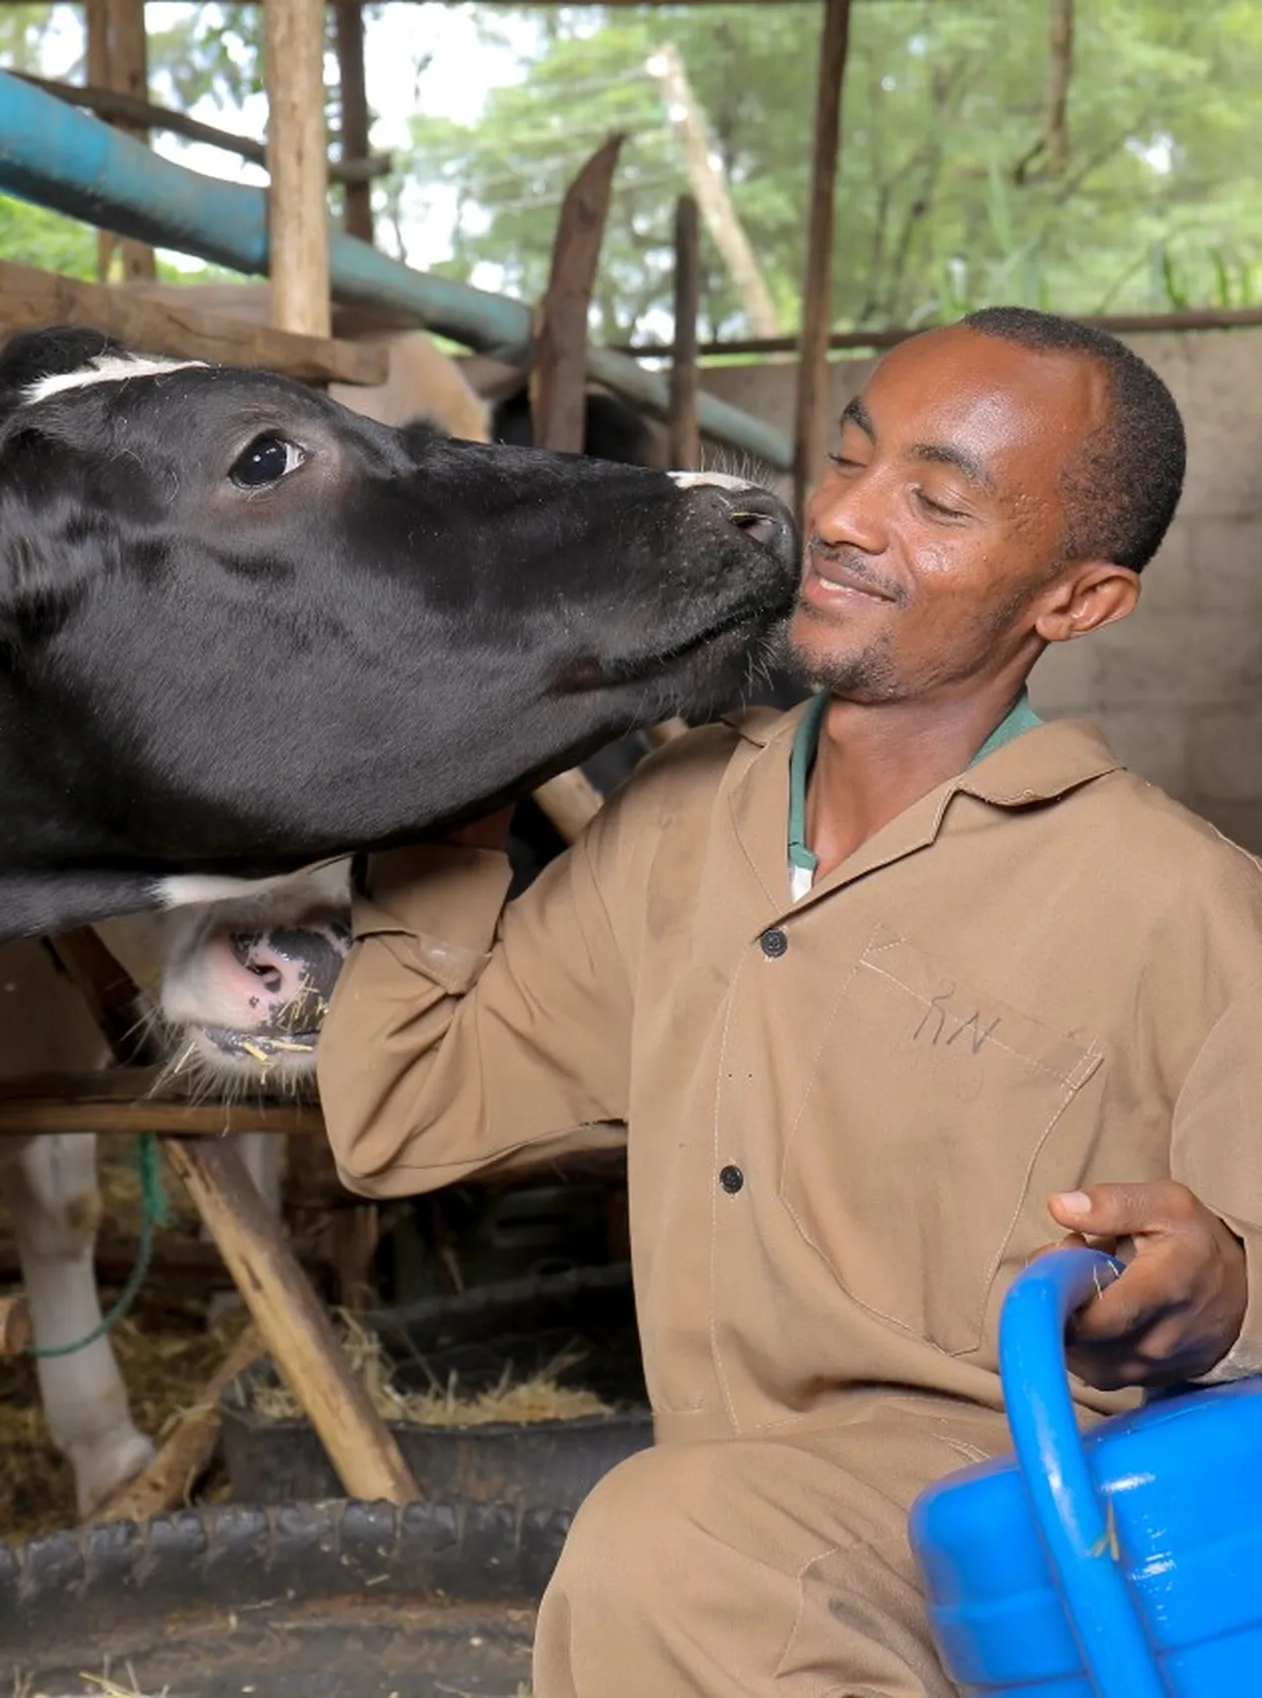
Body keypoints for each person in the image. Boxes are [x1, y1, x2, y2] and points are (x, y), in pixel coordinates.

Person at [315, 307, 1262, 1696]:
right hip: (747, 1541)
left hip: (1032, 1553)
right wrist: (457, 799)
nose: (844, 519)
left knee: (661, 1543)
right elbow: (403, 1115)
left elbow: (1241, 1275)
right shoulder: (684, 817)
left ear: (1078, 601)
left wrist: (1215, 1288)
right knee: (681, 1542)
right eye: (849, 459)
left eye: (935, 501)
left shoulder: (1186, 902)